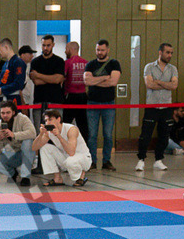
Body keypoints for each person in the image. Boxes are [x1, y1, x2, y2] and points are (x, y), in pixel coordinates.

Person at [135, 43, 178, 172]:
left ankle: (159, 159)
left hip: (166, 107)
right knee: (145, 135)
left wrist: (158, 81)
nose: (169, 55)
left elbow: (174, 86)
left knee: (164, 136)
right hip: (152, 107)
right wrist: (166, 84)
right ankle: (141, 160)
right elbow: (149, 84)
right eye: (167, 52)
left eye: (171, 53)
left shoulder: (173, 69)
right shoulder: (149, 67)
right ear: (160, 52)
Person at [83, 39, 121, 171]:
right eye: (98, 50)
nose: (100, 52)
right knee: (92, 135)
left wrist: (95, 80)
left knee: (108, 134)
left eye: (102, 50)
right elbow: (87, 81)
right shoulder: (90, 64)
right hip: (92, 103)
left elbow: (113, 82)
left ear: (108, 50)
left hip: (108, 103)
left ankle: (106, 161)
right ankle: (92, 161)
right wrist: (104, 77)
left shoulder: (114, 64)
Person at [33, 109, 91, 186]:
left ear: (58, 119)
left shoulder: (71, 129)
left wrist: (59, 136)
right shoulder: (49, 133)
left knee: (70, 161)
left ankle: (81, 176)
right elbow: (34, 148)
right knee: (45, 148)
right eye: (46, 120)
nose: (48, 123)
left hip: (83, 158)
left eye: (50, 119)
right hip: (67, 157)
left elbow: (71, 152)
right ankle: (57, 178)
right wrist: (40, 135)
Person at [0, 100, 36, 186]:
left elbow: (32, 133)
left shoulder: (22, 118)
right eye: (2, 113)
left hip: (25, 153)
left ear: (13, 112)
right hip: (12, 154)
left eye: (8, 112)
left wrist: (14, 135)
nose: (5, 115)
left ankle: (25, 177)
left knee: (28, 141)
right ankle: (13, 174)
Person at [29, 35, 65, 126]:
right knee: (39, 129)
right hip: (39, 100)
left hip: (56, 100)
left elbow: (57, 79)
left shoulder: (59, 61)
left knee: (56, 129)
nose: (45, 48)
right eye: (43, 45)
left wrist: (38, 75)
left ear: (53, 45)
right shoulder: (35, 62)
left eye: (48, 45)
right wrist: (52, 78)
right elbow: (36, 82)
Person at [62, 41, 89, 141]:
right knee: (83, 125)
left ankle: (66, 145)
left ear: (71, 49)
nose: (65, 51)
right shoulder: (86, 63)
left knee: (66, 124)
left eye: (66, 49)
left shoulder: (67, 63)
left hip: (70, 96)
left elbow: (62, 78)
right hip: (83, 96)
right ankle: (84, 146)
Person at [0, 38, 26, 104]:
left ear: (6, 47)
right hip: (5, 98)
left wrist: (2, 89)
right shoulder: (6, 63)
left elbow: (18, 83)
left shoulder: (18, 62)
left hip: (13, 98)